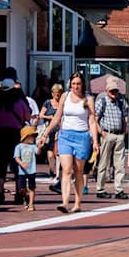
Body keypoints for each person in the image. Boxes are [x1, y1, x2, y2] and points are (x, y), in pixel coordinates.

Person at [38, 72, 100, 214]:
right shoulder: (65, 96)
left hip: (82, 136)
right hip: (65, 135)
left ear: (82, 84)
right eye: (73, 84)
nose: (76, 86)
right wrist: (45, 133)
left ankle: (77, 202)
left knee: (78, 171)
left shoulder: (88, 99)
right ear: (69, 84)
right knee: (66, 170)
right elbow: (57, 116)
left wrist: (95, 140)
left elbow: (91, 120)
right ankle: (65, 202)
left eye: (78, 84)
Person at [0, 77, 32, 204]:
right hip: (15, 135)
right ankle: (18, 194)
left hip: (0, 134)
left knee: (1, 166)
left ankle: (0, 194)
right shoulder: (20, 103)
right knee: (17, 165)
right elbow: (27, 117)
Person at [95, 76, 129, 200]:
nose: (114, 93)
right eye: (111, 91)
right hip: (107, 134)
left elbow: (125, 116)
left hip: (119, 134)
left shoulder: (121, 101)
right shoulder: (102, 101)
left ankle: (119, 189)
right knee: (103, 162)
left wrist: (125, 129)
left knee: (120, 164)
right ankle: (100, 188)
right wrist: (100, 131)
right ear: (106, 91)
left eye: (116, 91)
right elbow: (95, 118)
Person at [38, 83, 63, 184]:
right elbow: (41, 115)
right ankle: (52, 171)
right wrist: (50, 117)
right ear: (52, 93)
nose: (57, 95)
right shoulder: (48, 103)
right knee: (50, 155)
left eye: (59, 93)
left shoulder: (63, 103)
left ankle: (57, 174)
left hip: (60, 130)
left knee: (59, 154)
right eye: (56, 93)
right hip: (49, 130)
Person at [14, 125, 39, 211]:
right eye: (32, 136)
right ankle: (26, 198)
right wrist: (21, 164)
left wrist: (40, 147)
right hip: (22, 171)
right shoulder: (19, 146)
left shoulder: (33, 146)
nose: (33, 138)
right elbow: (16, 157)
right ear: (26, 136)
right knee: (22, 189)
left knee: (32, 187)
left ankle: (31, 203)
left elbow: (38, 153)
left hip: (32, 170)